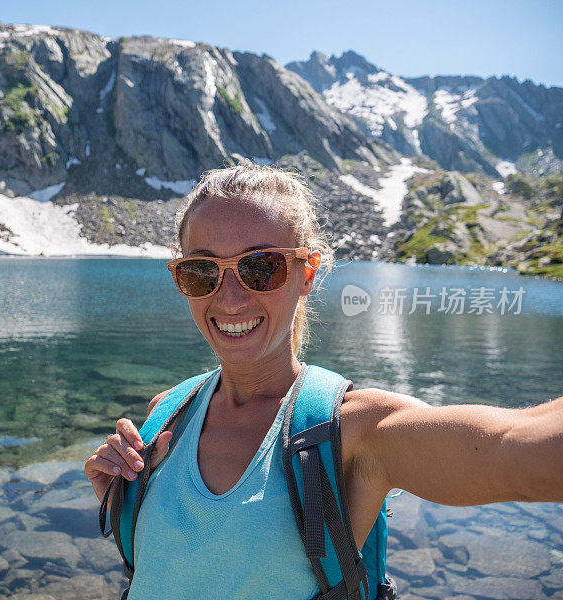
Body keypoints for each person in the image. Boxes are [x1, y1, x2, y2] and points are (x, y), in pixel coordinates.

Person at [84, 164, 563, 599]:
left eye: (260, 267)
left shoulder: (355, 432)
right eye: (201, 271)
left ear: (307, 271)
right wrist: (129, 501)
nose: (229, 299)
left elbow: (518, 450)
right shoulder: (168, 412)